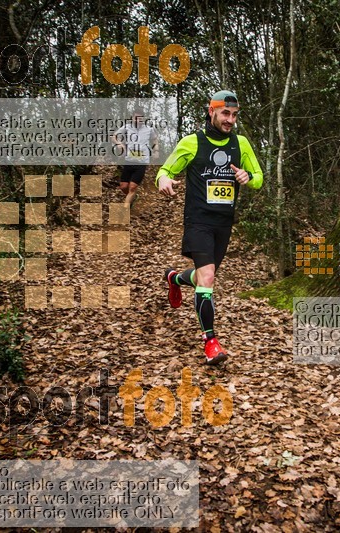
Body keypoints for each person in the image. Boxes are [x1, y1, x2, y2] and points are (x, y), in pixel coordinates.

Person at [156, 90, 263, 365]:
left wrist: (247, 176)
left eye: (234, 115)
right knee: (208, 279)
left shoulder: (241, 144)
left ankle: (176, 279)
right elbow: (165, 171)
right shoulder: (192, 143)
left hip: (223, 223)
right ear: (211, 110)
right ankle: (211, 342)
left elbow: (259, 178)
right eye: (225, 113)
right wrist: (164, 180)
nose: (230, 120)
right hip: (198, 220)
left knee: (205, 276)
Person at [114, 107, 159, 207]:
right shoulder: (127, 127)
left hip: (142, 162)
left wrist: (156, 151)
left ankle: (125, 209)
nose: (138, 120)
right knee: (123, 187)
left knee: (133, 187)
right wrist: (119, 144)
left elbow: (155, 139)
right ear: (133, 118)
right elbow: (114, 136)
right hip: (129, 160)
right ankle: (132, 197)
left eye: (140, 118)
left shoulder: (149, 129)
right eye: (136, 117)